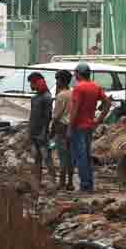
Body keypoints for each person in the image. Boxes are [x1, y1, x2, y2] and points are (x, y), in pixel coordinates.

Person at [68, 63, 111, 192]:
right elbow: (108, 102)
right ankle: (89, 184)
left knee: (80, 156)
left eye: (75, 73)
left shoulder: (78, 88)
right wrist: (99, 119)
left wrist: (70, 127)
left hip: (78, 126)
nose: (74, 75)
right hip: (89, 125)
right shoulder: (96, 86)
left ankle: (85, 185)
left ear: (78, 73)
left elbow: (74, 110)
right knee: (86, 155)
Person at [28, 72, 55, 190]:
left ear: (37, 82)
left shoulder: (46, 97)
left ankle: (53, 181)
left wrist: (43, 133)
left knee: (47, 158)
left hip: (41, 134)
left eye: (32, 83)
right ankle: (37, 182)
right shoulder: (35, 98)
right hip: (34, 133)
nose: (31, 86)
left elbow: (47, 117)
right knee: (37, 159)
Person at [51, 70, 75, 190]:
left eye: (57, 80)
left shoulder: (61, 96)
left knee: (62, 156)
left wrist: (52, 130)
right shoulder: (73, 94)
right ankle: (70, 183)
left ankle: (61, 183)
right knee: (70, 156)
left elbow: (56, 116)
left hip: (62, 127)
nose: (56, 82)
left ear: (61, 81)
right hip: (73, 127)